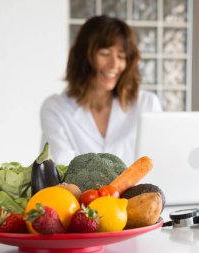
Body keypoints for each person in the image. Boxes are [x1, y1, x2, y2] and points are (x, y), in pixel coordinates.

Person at [40, 15, 162, 166]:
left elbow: (159, 164)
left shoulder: (147, 104)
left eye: (121, 56)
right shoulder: (55, 108)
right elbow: (60, 168)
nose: (114, 64)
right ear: (83, 57)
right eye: (104, 53)